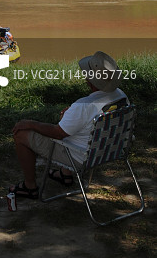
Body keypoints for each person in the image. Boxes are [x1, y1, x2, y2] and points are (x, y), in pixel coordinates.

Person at [9, 50, 127, 199]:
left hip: (82, 157)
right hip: (111, 150)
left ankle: (29, 186)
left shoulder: (84, 105)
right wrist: (71, 115)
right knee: (74, 128)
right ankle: (65, 175)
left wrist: (31, 123)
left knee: (21, 135)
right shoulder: (121, 95)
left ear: (90, 82)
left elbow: (57, 133)